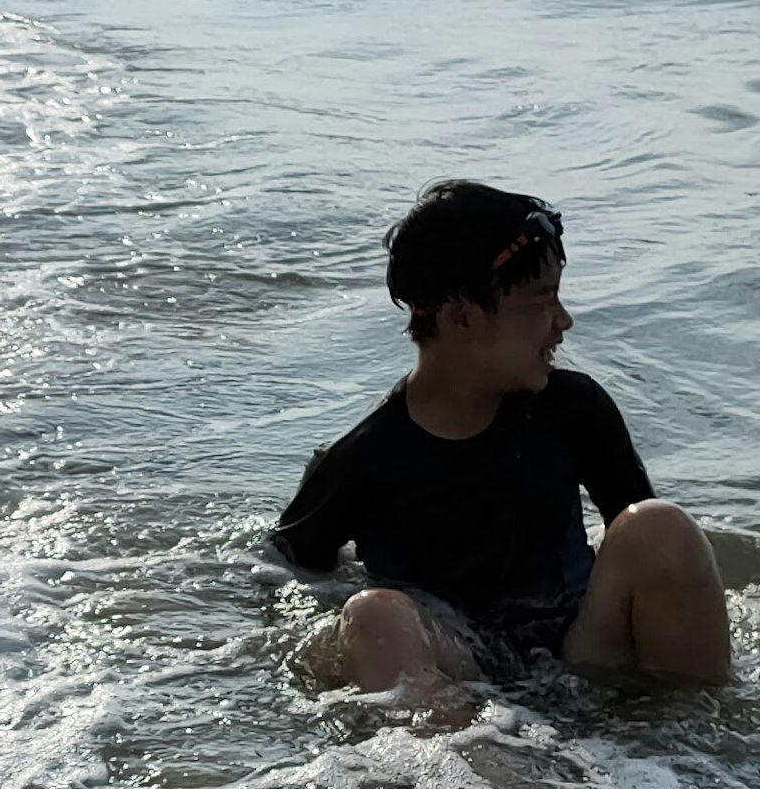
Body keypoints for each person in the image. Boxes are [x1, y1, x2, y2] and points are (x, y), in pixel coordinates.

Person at [271, 179, 731, 705]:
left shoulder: (573, 410)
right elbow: (281, 572)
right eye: (541, 302)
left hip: (583, 654)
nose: (563, 322)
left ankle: (698, 738)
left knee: (657, 526)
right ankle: (457, 775)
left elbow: (651, 569)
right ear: (460, 317)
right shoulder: (365, 459)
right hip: (464, 675)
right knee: (376, 614)